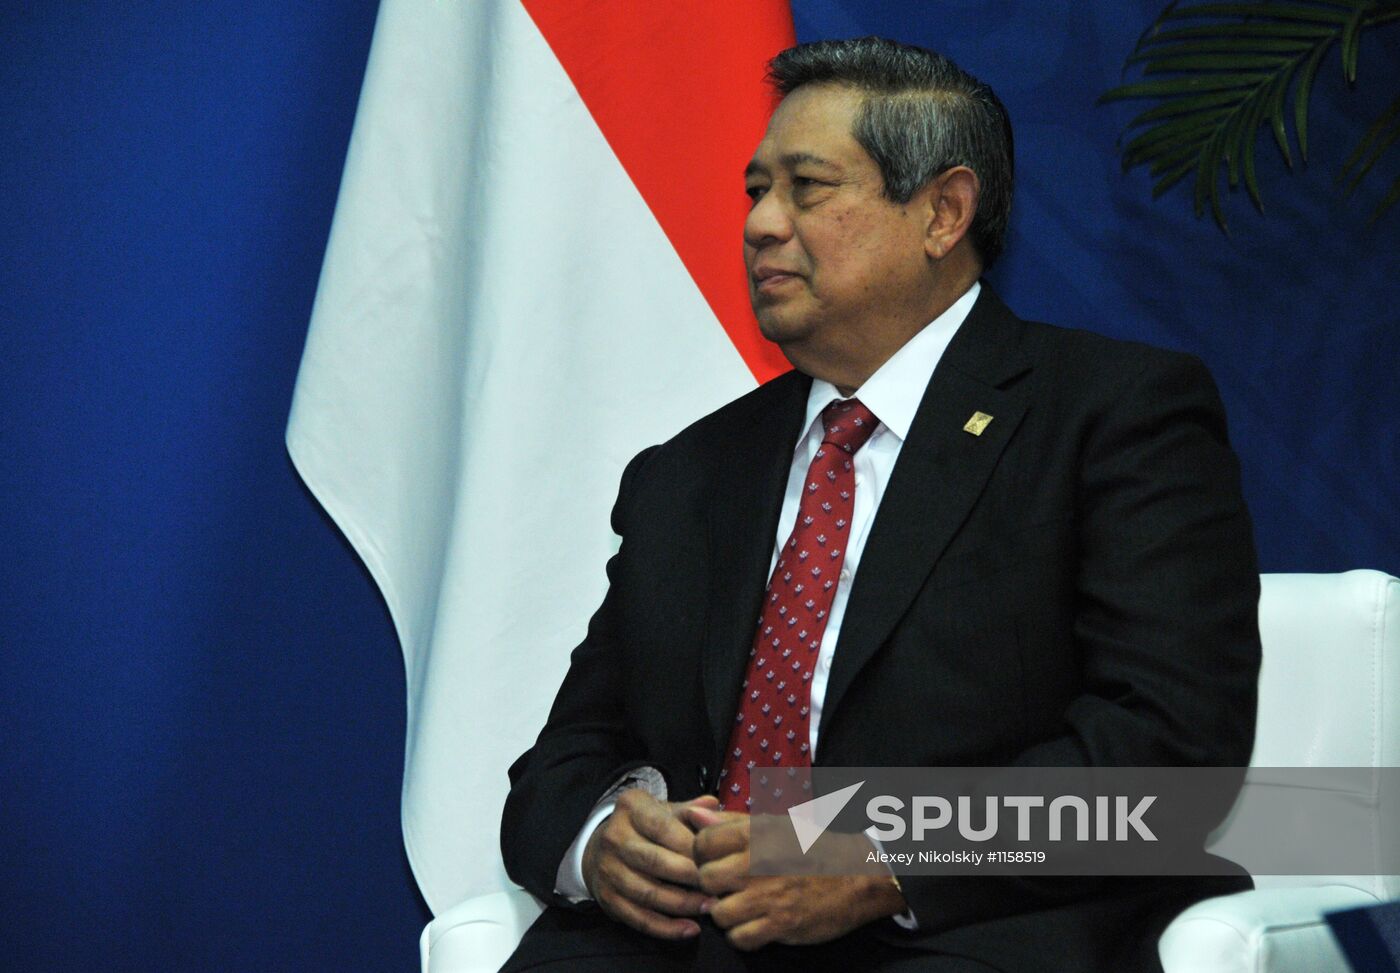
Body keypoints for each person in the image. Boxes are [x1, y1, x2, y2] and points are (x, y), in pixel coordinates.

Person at [499, 36, 1261, 972]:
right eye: (755, 191)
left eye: (807, 188)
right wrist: (599, 837)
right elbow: (565, 755)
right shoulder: (689, 471)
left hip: (956, 932)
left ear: (943, 211)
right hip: (668, 945)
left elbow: (1172, 753)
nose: (761, 225)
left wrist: (882, 854)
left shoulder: (1110, 417)